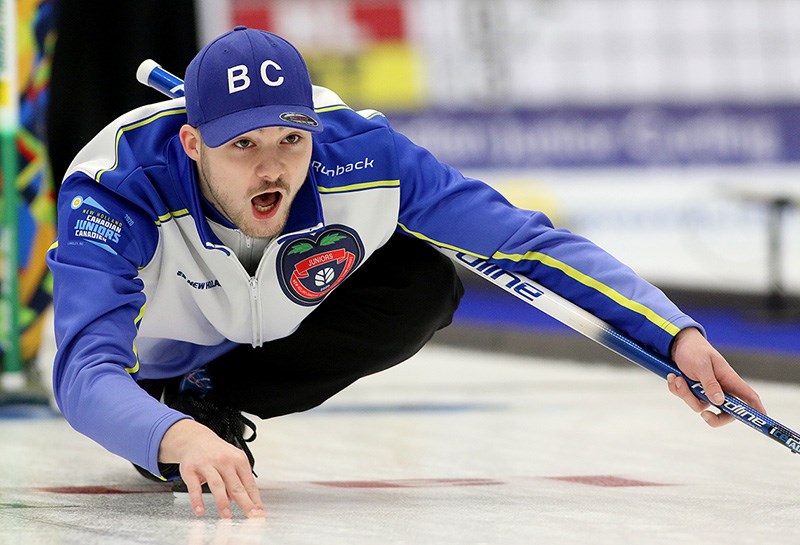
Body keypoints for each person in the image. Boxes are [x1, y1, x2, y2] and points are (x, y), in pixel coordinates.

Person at [47, 26, 765, 520]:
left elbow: (524, 244)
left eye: (291, 139)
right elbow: (83, 373)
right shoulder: (115, 189)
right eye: (243, 146)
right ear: (192, 141)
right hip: (152, 365)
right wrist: (171, 435)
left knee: (424, 279)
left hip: (250, 343)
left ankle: (210, 397)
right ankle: (179, 404)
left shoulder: (364, 155)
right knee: (152, 405)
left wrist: (673, 333)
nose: (272, 166)